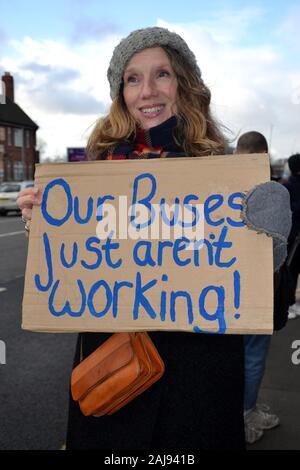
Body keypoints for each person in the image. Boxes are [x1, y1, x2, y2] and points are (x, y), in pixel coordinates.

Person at [17, 27, 291, 450]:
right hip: (114, 370)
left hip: (199, 377)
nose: (147, 91)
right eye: (132, 78)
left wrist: (270, 236)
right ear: (120, 93)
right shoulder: (92, 175)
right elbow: (68, 270)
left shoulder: (223, 176)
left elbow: (250, 275)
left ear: (183, 84)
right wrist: (42, 225)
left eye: (161, 74)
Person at [235, 131, 285, 444]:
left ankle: (232, 411)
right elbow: (277, 253)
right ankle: (246, 413)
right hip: (258, 288)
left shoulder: (221, 187)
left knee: (226, 356)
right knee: (253, 355)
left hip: (221, 290)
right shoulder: (272, 192)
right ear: (264, 154)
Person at [282, 153, 300, 319]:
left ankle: (293, 302)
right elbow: (289, 208)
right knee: (291, 271)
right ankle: (288, 303)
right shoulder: (288, 186)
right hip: (293, 237)